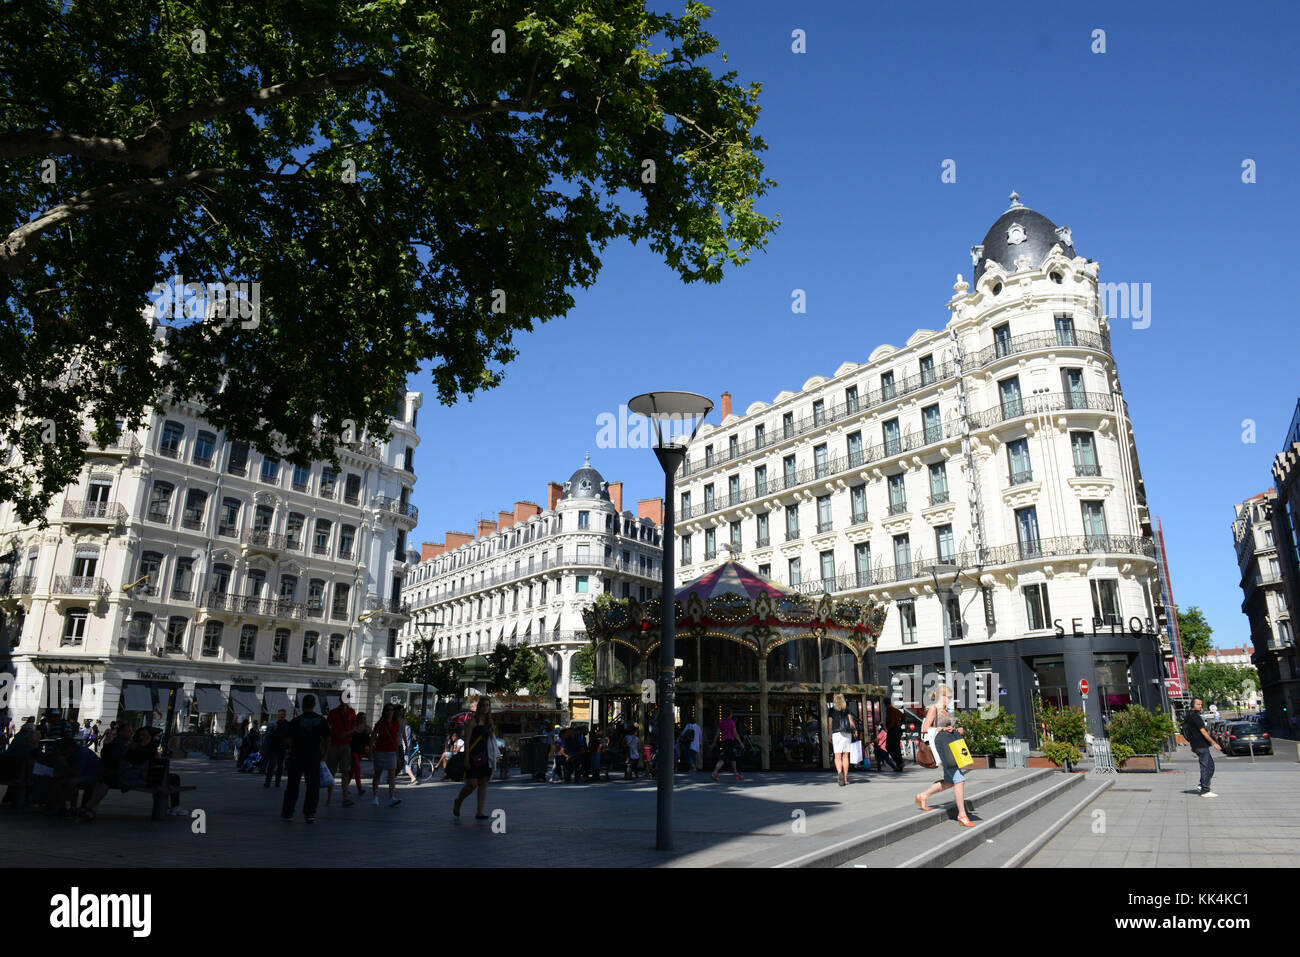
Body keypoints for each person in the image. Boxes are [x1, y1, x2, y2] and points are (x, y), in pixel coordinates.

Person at [915, 685, 975, 827]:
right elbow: (925, 728)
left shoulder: (945, 711)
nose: (950, 700)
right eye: (948, 697)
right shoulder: (933, 709)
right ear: (941, 696)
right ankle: (962, 815)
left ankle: (922, 796)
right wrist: (941, 728)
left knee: (950, 781)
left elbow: (946, 728)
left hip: (950, 746)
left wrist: (956, 730)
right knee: (959, 779)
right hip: (941, 747)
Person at [281, 694, 331, 823]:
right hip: (314, 756)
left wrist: (290, 747)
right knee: (313, 785)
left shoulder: (296, 721)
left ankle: (288, 812)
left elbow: (287, 740)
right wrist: (324, 755)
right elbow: (327, 739)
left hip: (297, 755)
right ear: (314, 705)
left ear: (302, 705)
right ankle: (309, 813)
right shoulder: (320, 720)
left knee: (293, 784)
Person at [452, 697, 496, 820]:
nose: (485, 708)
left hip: (485, 756)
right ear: (479, 707)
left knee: (483, 783)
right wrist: (466, 758)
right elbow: (466, 741)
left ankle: (480, 812)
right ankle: (459, 801)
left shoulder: (489, 722)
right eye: (483, 705)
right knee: (472, 784)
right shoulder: (472, 722)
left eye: (487, 705)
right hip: (472, 755)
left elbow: (491, 740)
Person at [1183, 698, 1223, 798]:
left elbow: (1189, 731)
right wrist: (1214, 743)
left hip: (1196, 744)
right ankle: (1205, 790)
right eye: (1198, 704)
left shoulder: (1188, 715)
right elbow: (1203, 731)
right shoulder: (1195, 716)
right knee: (1206, 766)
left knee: (1210, 766)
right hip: (1201, 744)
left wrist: (1192, 745)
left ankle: (1202, 785)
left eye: (1201, 704)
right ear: (1193, 705)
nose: (1200, 706)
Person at [326, 697, 357, 805]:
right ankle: (329, 797)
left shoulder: (352, 712)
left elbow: (354, 728)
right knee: (331, 772)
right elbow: (328, 728)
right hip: (334, 745)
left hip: (345, 745)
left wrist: (347, 733)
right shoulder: (333, 712)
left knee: (345, 772)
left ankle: (345, 797)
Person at [370, 704, 402, 807]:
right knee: (377, 774)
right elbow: (373, 738)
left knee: (392, 776)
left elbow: (396, 739)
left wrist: (397, 755)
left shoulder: (395, 723)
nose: (390, 712)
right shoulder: (379, 724)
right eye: (388, 710)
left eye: (392, 710)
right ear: (384, 712)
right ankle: (375, 797)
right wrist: (370, 751)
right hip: (380, 751)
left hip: (391, 752)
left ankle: (392, 797)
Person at [828, 693, 859, 787]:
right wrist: (855, 730)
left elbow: (830, 724)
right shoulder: (847, 709)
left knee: (837, 756)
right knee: (845, 756)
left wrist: (829, 734)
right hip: (846, 733)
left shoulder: (832, 710)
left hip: (836, 733)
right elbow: (851, 722)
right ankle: (845, 779)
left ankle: (839, 773)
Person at [711, 709, 744, 782]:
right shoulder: (732, 722)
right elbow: (735, 734)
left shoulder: (721, 722)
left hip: (724, 741)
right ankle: (715, 772)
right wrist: (740, 743)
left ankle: (736, 774)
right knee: (724, 757)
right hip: (730, 741)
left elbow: (717, 733)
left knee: (733, 757)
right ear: (730, 714)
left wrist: (713, 742)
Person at [263, 709, 289, 788]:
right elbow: (268, 735)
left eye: (283, 714)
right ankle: (268, 782)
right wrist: (273, 730)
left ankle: (277, 782)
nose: (281, 716)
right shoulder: (273, 724)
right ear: (278, 715)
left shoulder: (287, 725)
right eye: (280, 714)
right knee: (272, 765)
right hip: (274, 747)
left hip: (282, 748)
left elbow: (289, 736)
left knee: (280, 766)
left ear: (285, 715)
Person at [348, 712, 369, 797]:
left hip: (361, 751)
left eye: (364, 718)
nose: (363, 719)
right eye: (362, 717)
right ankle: (359, 788)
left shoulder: (367, 728)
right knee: (357, 769)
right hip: (353, 750)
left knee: (353, 770)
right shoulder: (354, 727)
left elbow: (369, 739)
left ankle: (345, 786)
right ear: (358, 718)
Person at [397, 706, 419, 786]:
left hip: (401, 746)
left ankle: (412, 777)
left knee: (403, 762)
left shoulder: (404, 724)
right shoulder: (407, 726)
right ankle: (391, 777)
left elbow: (404, 736)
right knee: (401, 762)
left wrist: (405, 746)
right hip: (402, 745)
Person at [886, 705, 905, 773]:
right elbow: (903, 716)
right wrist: (900, 724)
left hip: (893, 729)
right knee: (896, 747)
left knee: (889, 746)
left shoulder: (890, 709)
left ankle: (899, 762)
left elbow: (902, 716)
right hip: (896, 729)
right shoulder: (894, 709)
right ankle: (899, 764)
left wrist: (898, 724)